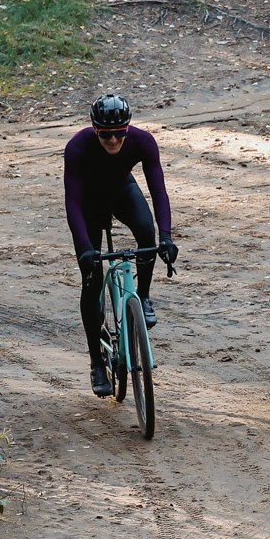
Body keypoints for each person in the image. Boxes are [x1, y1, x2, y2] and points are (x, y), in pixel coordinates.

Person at [66, 94, 177, 398]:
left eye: (119, 133)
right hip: (88, 204)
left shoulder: (143, 142)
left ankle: (142, 297)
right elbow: (72, 203)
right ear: (95, 130)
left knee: (147, 235)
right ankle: (96, 363)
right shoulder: (77, 147)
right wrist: (85, 248)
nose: (113, 140)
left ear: (128, 129)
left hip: (121, 192)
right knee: (92, 281)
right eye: (105, 134)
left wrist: (166, 236)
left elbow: (159, 190)